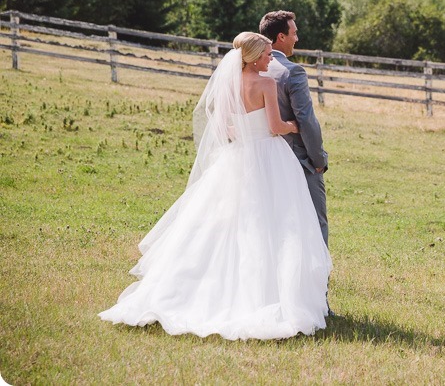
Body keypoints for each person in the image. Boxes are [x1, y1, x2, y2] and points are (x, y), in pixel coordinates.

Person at [99, 32, 332, 340]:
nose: (270, 59)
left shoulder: (230, 85)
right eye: (265, 55)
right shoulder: (266, 84)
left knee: (228, 223)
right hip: (270, 157)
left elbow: (223, 128)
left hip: (237, 158)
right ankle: (269, 296)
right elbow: (276, 127)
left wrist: (247, 132)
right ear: (252, 57)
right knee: (275, 223)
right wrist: (294, 126)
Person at [258, 12, 329, 247]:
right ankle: (317, 280)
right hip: (297, 159)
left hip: (259, 158)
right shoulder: (292, 71)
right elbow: (306, 120)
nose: (297, 38)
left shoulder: (251, 71)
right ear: (280, 36)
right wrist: (318, 159)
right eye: (294, 33)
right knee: (314, 220)